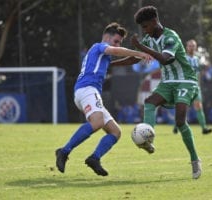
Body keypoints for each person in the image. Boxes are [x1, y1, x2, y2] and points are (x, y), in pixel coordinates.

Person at [112, 6, 202, 179]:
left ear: (154, 22)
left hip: (186, 80)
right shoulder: (148, 39)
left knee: (180, 120)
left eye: (145, 26)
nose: (144, 30)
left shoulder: (171, 36)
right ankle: (147, 138)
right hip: (167, 82)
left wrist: (141, 47)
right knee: (149, 102)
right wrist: (111, 64)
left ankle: (194, 159)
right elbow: (134, 57)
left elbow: (165, 59)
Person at [55, 22, 152, 176]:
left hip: (87, 93)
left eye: (120, 42)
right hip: (87, 90)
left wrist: (137, 55)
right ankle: (64, 151)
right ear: (106, 37)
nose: (118, 44)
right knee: (97, 122)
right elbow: (115, 51)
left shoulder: (103, 58)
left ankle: (94, 158)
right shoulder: (98, 47)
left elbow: (122, 59)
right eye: (116, 41)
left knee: (115, 132)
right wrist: (139, 53)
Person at [173, 39, 212, 135]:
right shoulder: (183, 57)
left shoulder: (198, 58)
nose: (191, 47)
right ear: (186, 47)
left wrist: (199, 83)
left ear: (196, 47)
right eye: (190, 46)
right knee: (183, 108)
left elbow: (199, 72)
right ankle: (176, 126)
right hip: (185, 85)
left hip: (195, 86)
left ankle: (204, 128)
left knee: (199, 106)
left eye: (193, 46)